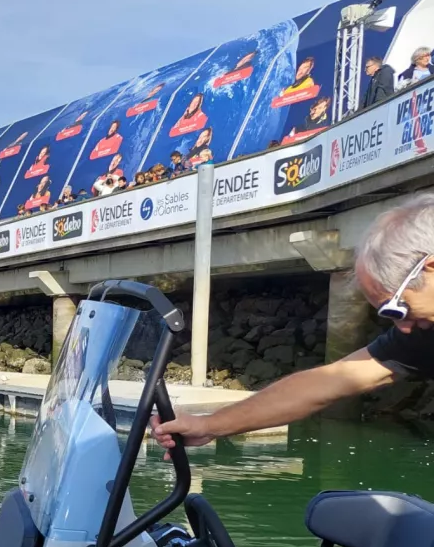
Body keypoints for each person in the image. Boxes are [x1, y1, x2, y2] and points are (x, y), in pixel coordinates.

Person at [151, 193, 434, 451]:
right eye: (387, 315)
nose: (404, 327)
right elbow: (326, 383)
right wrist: (207, 425)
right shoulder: (421, 333)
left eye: (398, 309)